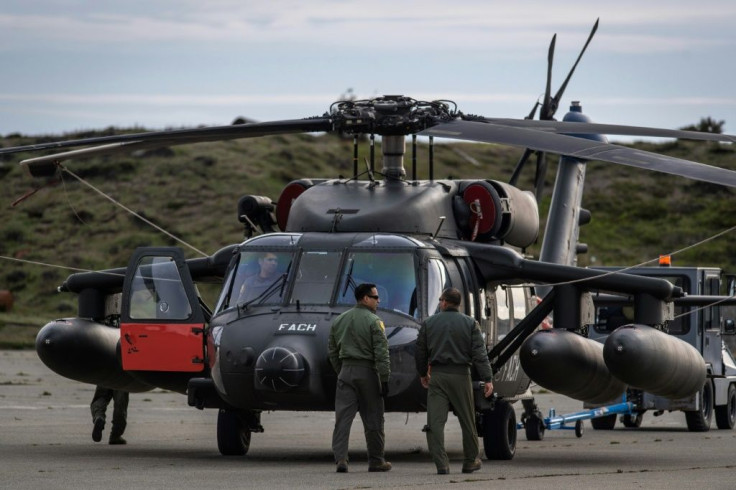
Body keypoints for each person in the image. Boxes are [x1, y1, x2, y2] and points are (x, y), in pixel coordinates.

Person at [415, 287, 493, 475]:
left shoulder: (429, 323)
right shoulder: (470, 323)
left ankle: (441, 463)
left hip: (438, 377)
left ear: (445, 302)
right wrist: (487, 378)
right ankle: (470, 461)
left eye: (441, 299)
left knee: (435, 422)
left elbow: (420, 352)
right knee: (467, 420)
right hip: (461, 375)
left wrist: (423, 374)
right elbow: (479, 354)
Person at [328, 283, 392, 473]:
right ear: (365, 298)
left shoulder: (340, 320)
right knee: (373, 419)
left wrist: (342, 370)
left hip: (346, 372)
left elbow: (332, 350)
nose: (378, 301)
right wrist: (384, 378)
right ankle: (376, 460)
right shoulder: (375, 321)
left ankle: (341, 459)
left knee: (342, 419)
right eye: (375, 297)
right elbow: (382, 353)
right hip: (368, 374)